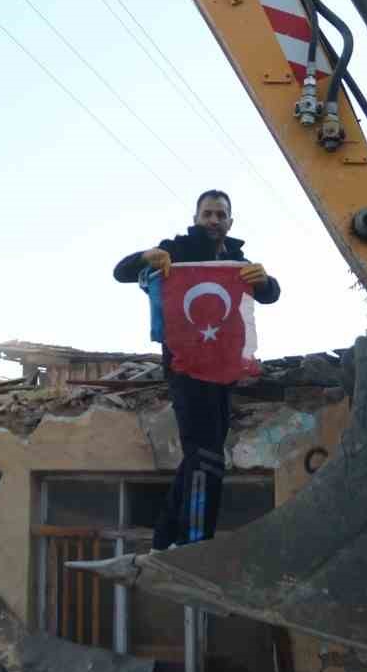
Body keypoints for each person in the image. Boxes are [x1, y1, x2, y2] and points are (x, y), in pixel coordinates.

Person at [113, 189, 281, 550]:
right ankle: (194, 542)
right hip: (186, 367)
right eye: (207, 214)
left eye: (220, 215)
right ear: (196, 219)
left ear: (230, 221)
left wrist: (264, 280)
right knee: (207, 456)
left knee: (201, 454)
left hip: (224, 368)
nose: (214, 221)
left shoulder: (237, 260)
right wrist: (146, 256)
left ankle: (164, 540)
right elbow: (121, 272)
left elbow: (270, 295)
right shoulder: (175, 251)